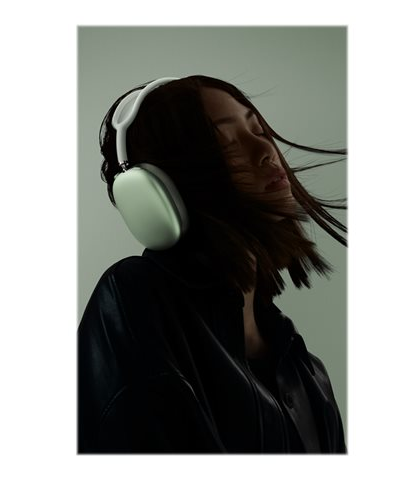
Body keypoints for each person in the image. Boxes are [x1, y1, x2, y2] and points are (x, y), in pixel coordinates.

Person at [78, 75, 347, 453]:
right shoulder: (134, 297)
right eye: (225, 142)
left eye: (259, 130)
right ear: (157, 188)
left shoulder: (309, 374)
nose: (266, 151)